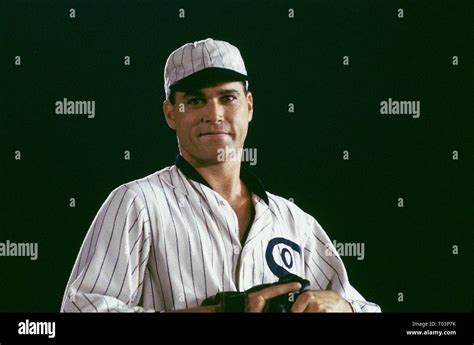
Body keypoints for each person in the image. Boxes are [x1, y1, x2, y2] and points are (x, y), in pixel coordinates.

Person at [61, 38, 381, 313]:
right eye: (196, 101)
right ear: (171, 113)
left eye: (227, 98)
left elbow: (368, 309)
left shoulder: (295, 223)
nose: (214, 115)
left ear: (249, 106)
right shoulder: (137, 203)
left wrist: (345, 307)